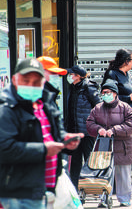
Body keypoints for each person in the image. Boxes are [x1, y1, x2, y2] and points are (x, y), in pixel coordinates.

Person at [0, 59, 83, 209]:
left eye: (37, 82)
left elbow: (54, 133)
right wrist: (44, 149)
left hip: (46, 187)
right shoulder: (6, 109)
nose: (31, 86)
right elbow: (5, 149)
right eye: (26, 80)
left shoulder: (45, 103)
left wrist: (64, 140)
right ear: (14, 79)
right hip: (20, 192)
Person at [101, 48, 132, 194]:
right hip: (120, 117)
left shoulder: (130, 74)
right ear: (126, 61)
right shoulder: (112, 75)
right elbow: (107, 96)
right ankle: (115, 185)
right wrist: (128, 99)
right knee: (118, 149)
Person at [87, 79, 132, 207]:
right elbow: (89, 123)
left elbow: (131, 125)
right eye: (103, 92)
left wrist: (114, 130)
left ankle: (124, 199)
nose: (105, 95)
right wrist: (99, 129)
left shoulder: (126, 108)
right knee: (103, 174)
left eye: (108, 92)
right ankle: (104, 199)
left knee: (123, 175)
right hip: (103, 146)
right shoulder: (97, 109)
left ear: (115, 93)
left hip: (123, 147)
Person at [66, 65, 101, 189]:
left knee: (89, 162)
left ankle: (92, 189)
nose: (70, 76)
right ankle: (76, 191)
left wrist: (94, 125)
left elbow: (99, 106)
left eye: (72, 74)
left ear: (79, 76)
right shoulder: (72, 88)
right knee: (75, 163)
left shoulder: (89, 87)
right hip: (75, 132)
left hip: (87, 133)